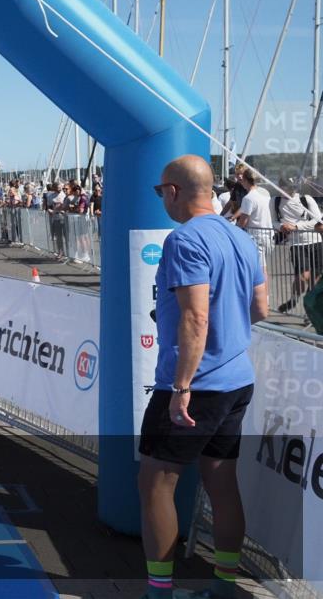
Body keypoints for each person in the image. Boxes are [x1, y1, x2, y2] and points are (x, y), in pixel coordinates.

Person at [139, 155, 268, 599]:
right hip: (235, 379)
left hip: (200, 385)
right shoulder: (240, 237)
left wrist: (181, 387)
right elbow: (261, 309)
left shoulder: (184, 240)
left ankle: (159, 592)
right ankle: (225, 584)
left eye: (161, 192)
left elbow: (195, 319)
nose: (162, 200)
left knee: (156, 483)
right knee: (221, 482)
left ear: (173, 191)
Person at [272, 181, 323, 314]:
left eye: (291, 187)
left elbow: (318, 219)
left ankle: (310, 311)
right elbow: (273, 221)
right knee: (303, 276)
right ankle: (295, 299)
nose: (288, 190)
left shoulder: (305, 199)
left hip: (315, 242)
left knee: (314, 278)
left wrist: (296, 227)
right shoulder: (275, 201)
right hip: (296, 244)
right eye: (283, 187)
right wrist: (281, 226)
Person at [234, 167, 273, 274]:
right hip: (268, 235)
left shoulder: (248, 198)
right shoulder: (264, 195)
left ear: (246, 180)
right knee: (263, 269)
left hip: (256, 237)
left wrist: (232, 230)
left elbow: (243, 222)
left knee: (259, 271)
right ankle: (264, 290)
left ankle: (262, 291)